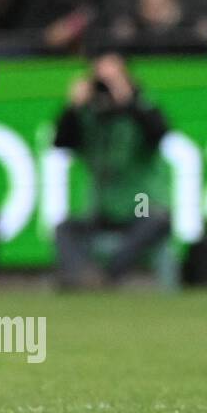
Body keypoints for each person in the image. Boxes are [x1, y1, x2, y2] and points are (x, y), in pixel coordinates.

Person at [52, 52, 173, 289]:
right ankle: (82, 276)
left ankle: (106, 278)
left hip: (142, 208)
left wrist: (127, 99)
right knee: (64, 228)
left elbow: (159, 132)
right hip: (102, 211)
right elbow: (60, 141)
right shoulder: (88, 116)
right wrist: (72, 106)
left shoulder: (141, 110)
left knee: (155, 223)